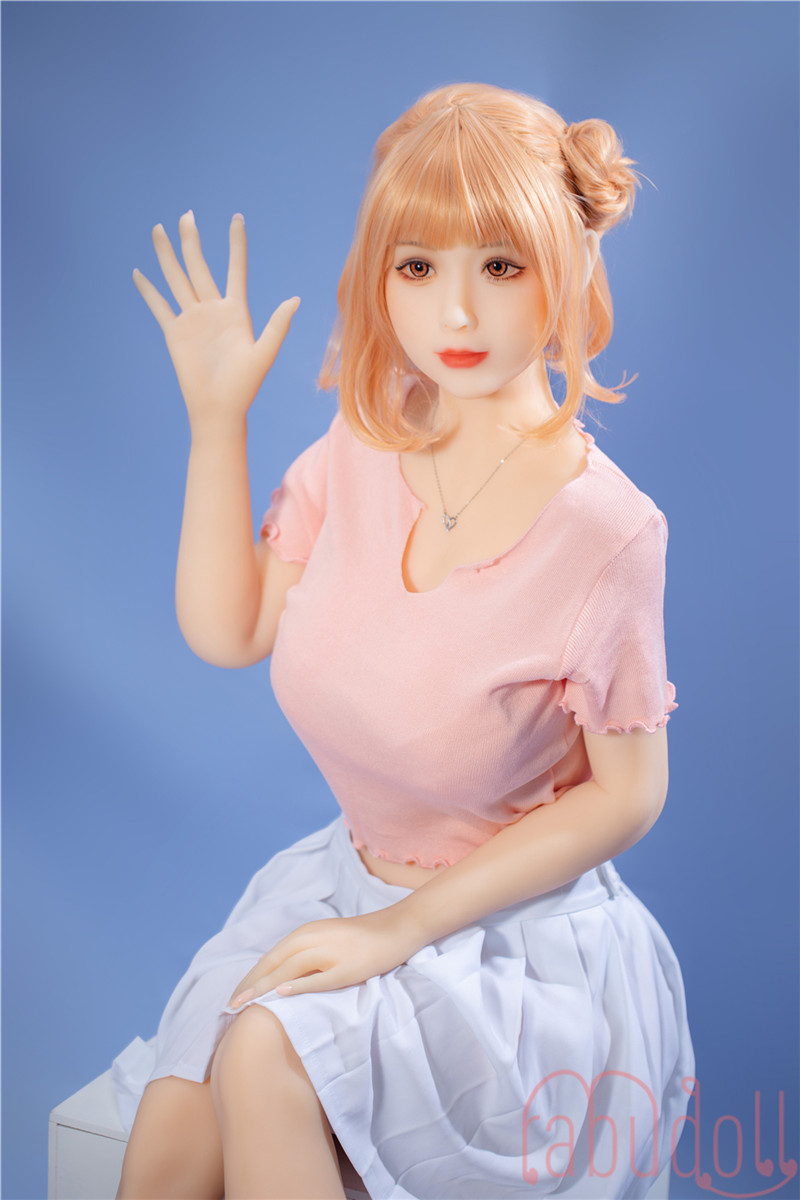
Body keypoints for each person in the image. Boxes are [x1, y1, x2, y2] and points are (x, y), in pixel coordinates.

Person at [112, 82, 694, 1199]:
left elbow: (628, 796)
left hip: (511, 947)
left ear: (566, 265)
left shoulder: (608, 533)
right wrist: (217, 420)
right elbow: (232, 629)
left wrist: (407, 928)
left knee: (262, 1056)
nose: (456, 315)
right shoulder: (363, 443)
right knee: (171, 1131)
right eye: (417, 266)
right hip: (341, 888)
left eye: (500, 266)